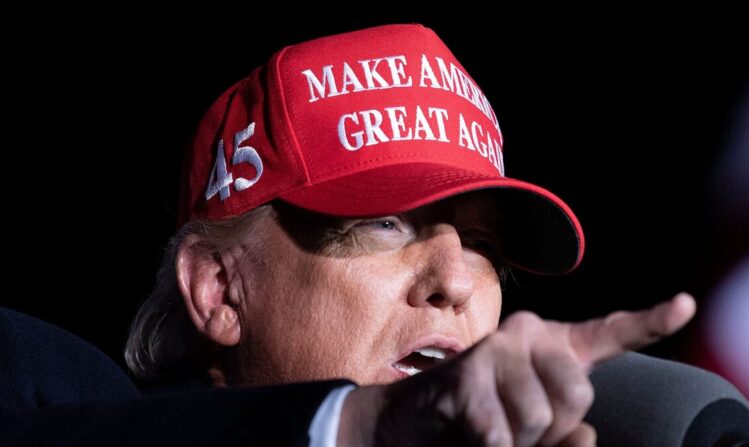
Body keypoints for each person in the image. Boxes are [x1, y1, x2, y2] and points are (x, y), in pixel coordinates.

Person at [0, 24, 695, 447]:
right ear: (219, 287)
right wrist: (362, 427)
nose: (455, 280)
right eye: (384, 223)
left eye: (482, 244)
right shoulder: (36, 380)